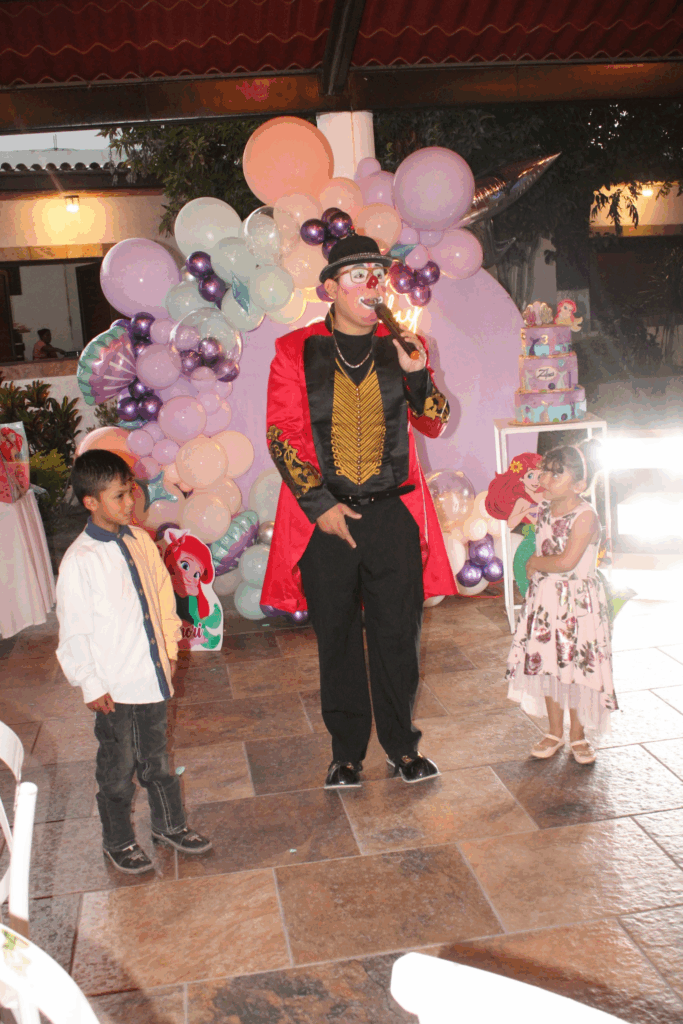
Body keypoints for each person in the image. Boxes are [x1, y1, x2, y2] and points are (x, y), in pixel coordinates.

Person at [261, 233, 456, 789]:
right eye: (358, 275)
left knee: (398, 636)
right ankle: (346, 753)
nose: (373, 285)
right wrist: (319, 505)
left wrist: (416, 373)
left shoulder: (406, 344)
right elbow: (282, 434)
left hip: (392, 514)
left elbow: (435, 420)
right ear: (330, 287)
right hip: (326, 519)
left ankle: (402, 747)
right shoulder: (294, 350)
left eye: (379, 274)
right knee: (338, 638)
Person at [56, 449, 211, 874]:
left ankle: (169, 825)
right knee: (117, 769)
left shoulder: (141, 541)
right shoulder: (80, 562)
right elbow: (73, 634)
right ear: (91, 502)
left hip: (151, 678)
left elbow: (163, 599)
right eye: (119, 496)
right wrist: (91, 684)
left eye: (131, 492)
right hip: (115, 689)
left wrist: (169, 649)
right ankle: (119, 840)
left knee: (157, 761)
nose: (130, 502)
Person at [505, 440, 617, 764]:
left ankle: (578, 735)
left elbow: (567, 562)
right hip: (546, 603)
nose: (545, 479)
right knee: (549, 665)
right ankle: (554, 731)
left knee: (577, 667)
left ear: (579, 485)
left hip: (576, 605)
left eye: (556, 475)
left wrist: (535, 563)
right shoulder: (543, 509)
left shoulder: (585, 516)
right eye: (545, 472)